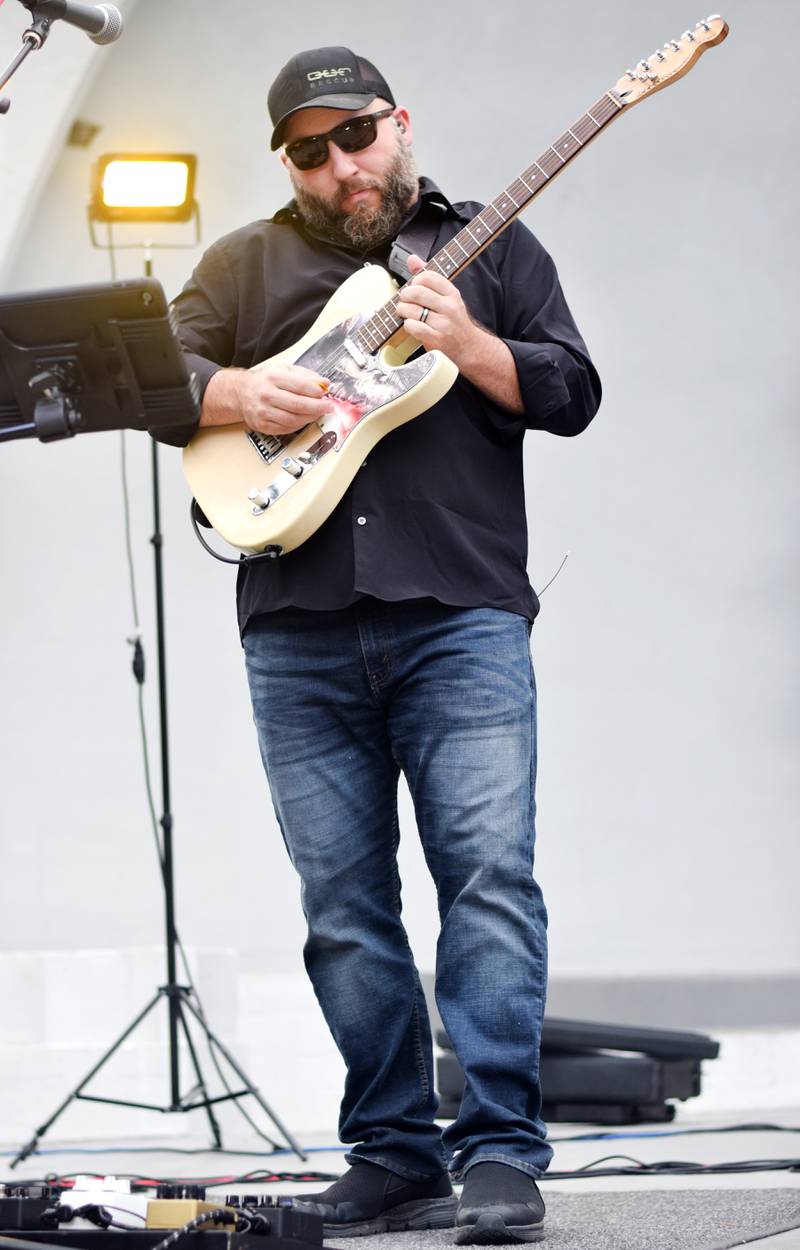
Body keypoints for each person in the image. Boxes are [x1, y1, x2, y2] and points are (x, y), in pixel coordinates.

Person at [170, 46, 601, 1245]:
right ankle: (393, 1152)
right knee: (343, 905)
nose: (337, 163)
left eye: (354, 133)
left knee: (486, 882)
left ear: (397, 124)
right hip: (295, 623)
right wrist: (233, 397)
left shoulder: (496, 249)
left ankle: (502, 1154)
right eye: (307, 149)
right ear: (287, 163)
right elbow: (152, 370)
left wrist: (468, 343)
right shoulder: (243, 264)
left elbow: (569, 391)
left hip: (458, 612)